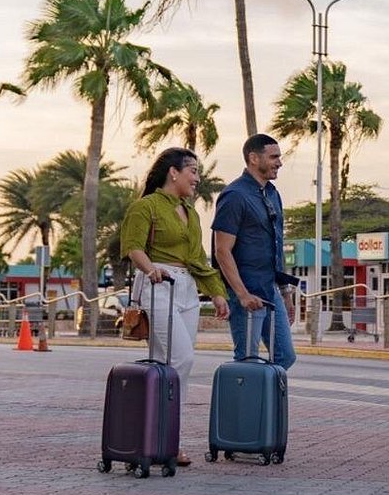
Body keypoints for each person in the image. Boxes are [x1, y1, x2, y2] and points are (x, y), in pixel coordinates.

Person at [121, 147, 230, 466]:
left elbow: (197, 258)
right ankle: (163, 438)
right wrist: (150, 269)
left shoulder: (191, 213)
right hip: (158, 286)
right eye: (192, 171)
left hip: (187, 290)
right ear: (173, 172)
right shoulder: (146, 207)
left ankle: (158, 439)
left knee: (165, 364)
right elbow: (133, 247)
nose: (197, 178)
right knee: (180, 359)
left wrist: (216, 291)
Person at [212, 134, 298, 370]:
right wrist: (241, 294)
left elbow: (276, 247)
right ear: (253, 158)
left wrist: (285, 292)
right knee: (246, 361)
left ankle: (265, 404)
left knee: (285, 356)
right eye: (274, 157)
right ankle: (245, 405)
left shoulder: (272, 194)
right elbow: (222, 251)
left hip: (270, 289)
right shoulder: (234, 196)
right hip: (246, 292)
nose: (279, 162)